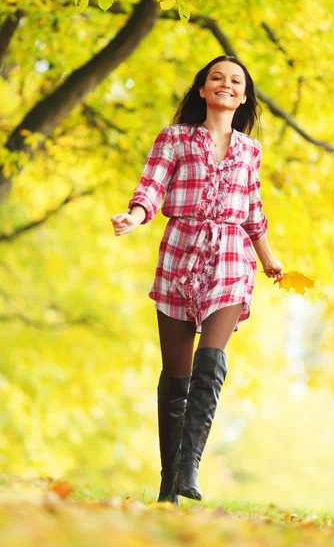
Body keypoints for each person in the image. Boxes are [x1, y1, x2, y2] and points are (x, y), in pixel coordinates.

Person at [110, 55, 284, 506]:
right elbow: (152, 184)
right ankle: (169, 486)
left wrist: (267, 259)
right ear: (203, 90)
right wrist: (134, 215)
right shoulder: (174, 138)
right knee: (177, 374)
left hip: (230, 255)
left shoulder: (250, 150)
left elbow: (252, 210)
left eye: (235, 82)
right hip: (180, 250)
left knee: (211, 359)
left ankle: (189, 467)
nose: (225, 85)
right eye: (216, 79)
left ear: (243, 97)